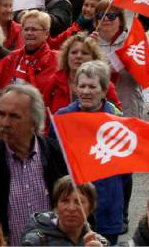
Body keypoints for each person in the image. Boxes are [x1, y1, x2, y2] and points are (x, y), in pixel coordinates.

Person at [0, 83, 68, 244]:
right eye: (1, 114)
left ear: (34, 122)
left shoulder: (58, 155)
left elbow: (80, 204)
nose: (5, 123)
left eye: (14, 116)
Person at [53, 61, 126, 243]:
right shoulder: (62, 118)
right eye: (82, 86)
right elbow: (54, 162)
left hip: (107, 211)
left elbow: (126, 174)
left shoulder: (117, 121)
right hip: (73, 207)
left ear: (103, 91)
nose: (86, 91)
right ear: (75, 88)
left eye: (92, 86)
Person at [44, 33, 121, 114]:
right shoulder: (54, 82)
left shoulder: (104, 83)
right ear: (66, 57)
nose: (78, 56)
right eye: (74, 52)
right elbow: (44, 114)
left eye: (84, 53)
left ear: (94, 57)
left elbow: (117, 115)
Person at [93, 0, 143, 118]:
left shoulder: (132, 44)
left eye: (111, 15)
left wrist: (129, 64)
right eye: (101, 15)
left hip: (128, 105)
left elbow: (143, 77)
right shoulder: (90, 43)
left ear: (120, 20)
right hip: (99, 106)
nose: (105, 18)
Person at [21, 177, 106, 246]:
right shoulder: (34, 242)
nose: (71, 208)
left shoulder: (99, 243)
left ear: (91, 207)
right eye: (65, 201)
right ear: (56, 205)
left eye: (79, 202)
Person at [0, 10, 58, 95]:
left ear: (46, 33)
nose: (29, 33)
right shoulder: (11, 57)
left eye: (34, 29)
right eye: (26, 29)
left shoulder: (56, 60)